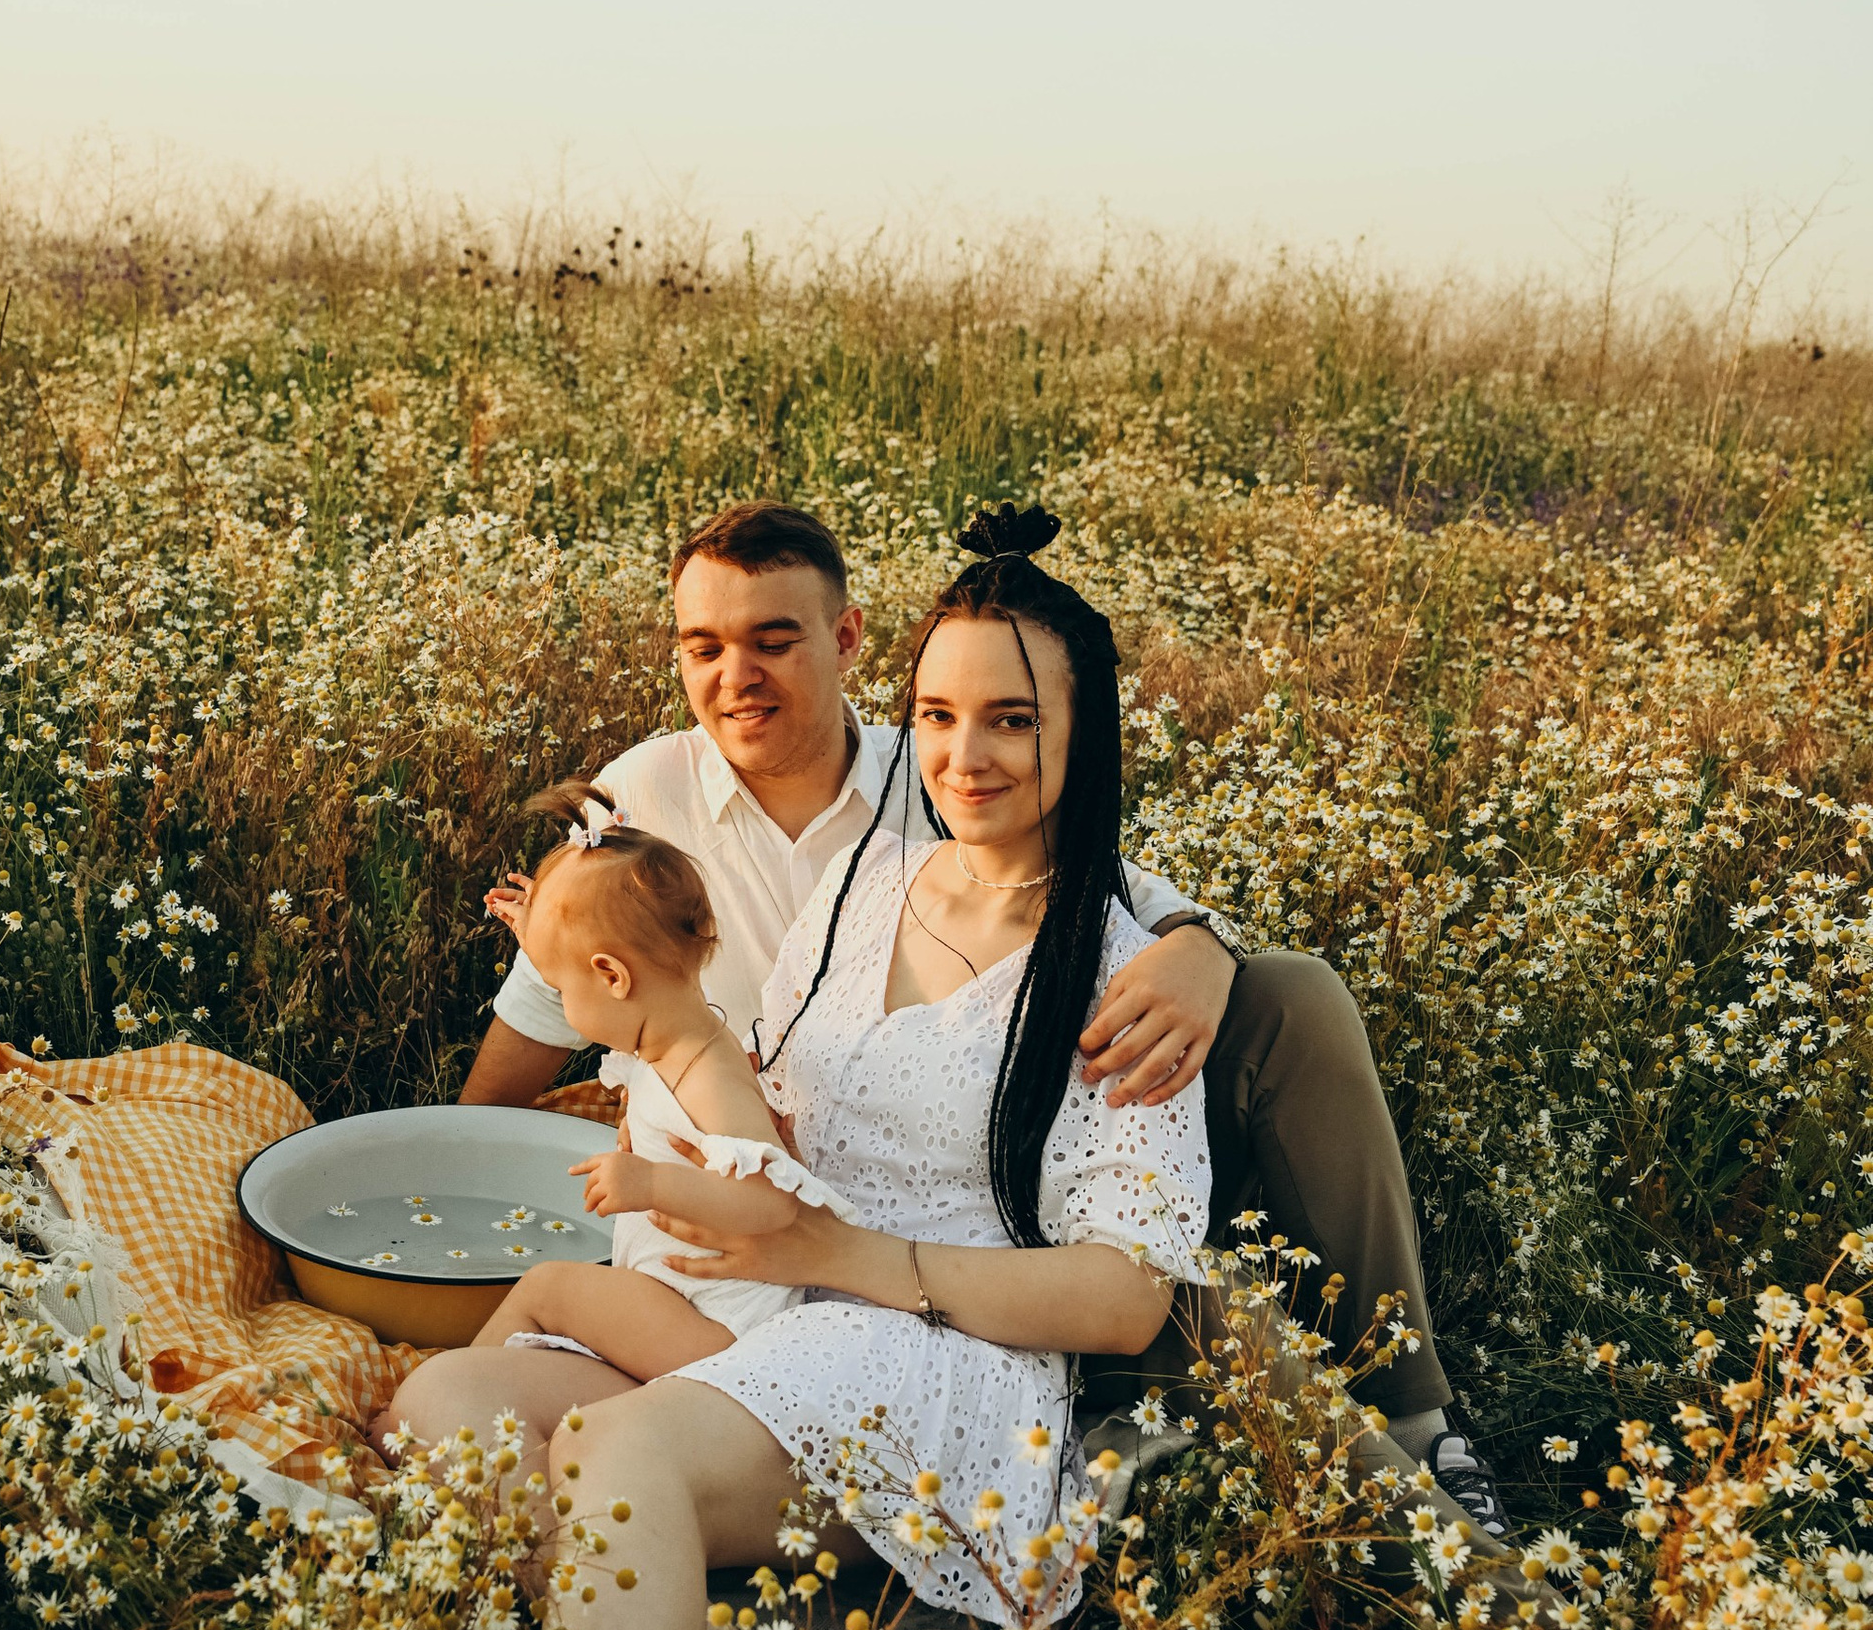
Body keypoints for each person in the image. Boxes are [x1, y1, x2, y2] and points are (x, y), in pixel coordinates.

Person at [278, 507, 1213, 1630]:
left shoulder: (1119, 968)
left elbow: (1132, 1296)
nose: (970, 755)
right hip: (788, 1308)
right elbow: (754, 1087)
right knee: (447, 1413)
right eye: (940, 716)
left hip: (948, 1356)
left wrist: (868, 1262)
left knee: (620, 1449)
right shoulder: (870, 883)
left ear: (1086, 729)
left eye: (1015, 718)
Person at [458, 497, 1506, 1536]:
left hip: (1018, 1138)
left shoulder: (921, 789)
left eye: (772, 642)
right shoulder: (640, 792)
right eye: (703, 646)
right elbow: (554, 983)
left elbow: (1088, 880)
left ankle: (1416, 1425)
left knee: (1290, 1006)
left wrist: (1197, 945)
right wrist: (455, 1151)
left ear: (844, 640)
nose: (736, 678)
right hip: (786, 1162)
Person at [391, 789, 831, 1425]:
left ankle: (436, 1422)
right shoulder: (667, 1046)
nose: (562, 1003)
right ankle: (473, 1397)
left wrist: (651, 1181)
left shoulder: (711, 1076)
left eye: (561, 986)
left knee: (548, 1288)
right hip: (679, 1301)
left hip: (722, 1333)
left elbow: (771, 1203)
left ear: (613, 977)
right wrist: (541, 928)